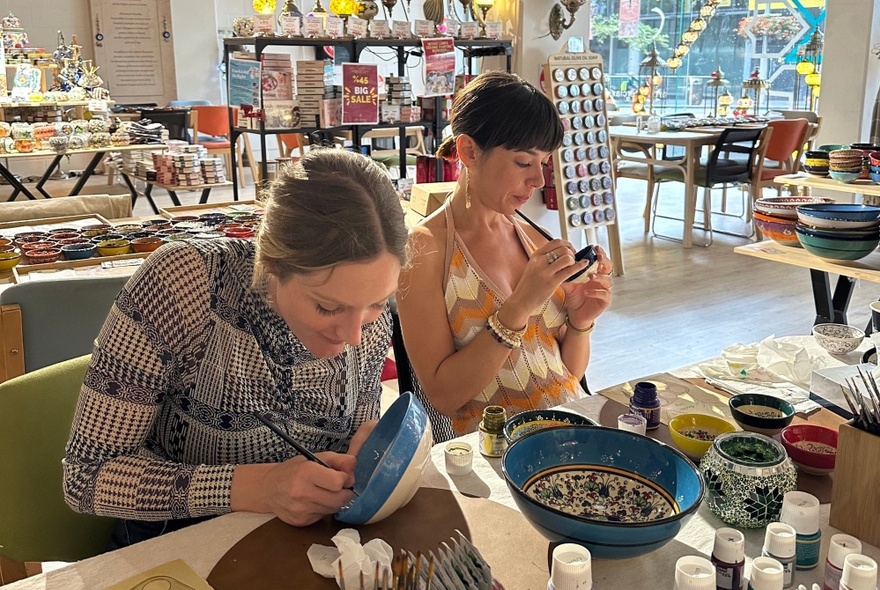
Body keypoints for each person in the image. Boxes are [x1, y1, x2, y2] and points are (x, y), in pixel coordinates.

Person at [63, 148, 408, 548]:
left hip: (302, 546)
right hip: (175, 545)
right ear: (273, 263)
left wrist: (365, 453)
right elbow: (86, 477)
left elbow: (351, 442)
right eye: (327, 306)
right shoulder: (187, 286)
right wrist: (261, 487)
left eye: (378, 303)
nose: (353, 337)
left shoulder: (368, 323)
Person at [397, 71, 614, 442]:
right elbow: (444, 396)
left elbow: (568, 375)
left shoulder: (533, 237)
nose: (538, 181)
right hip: (497, 451)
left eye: (543, 162)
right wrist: (518, 308)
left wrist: (580, 323)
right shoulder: (425, 249)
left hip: (569, 427)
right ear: (468, 151)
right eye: (522, 162)